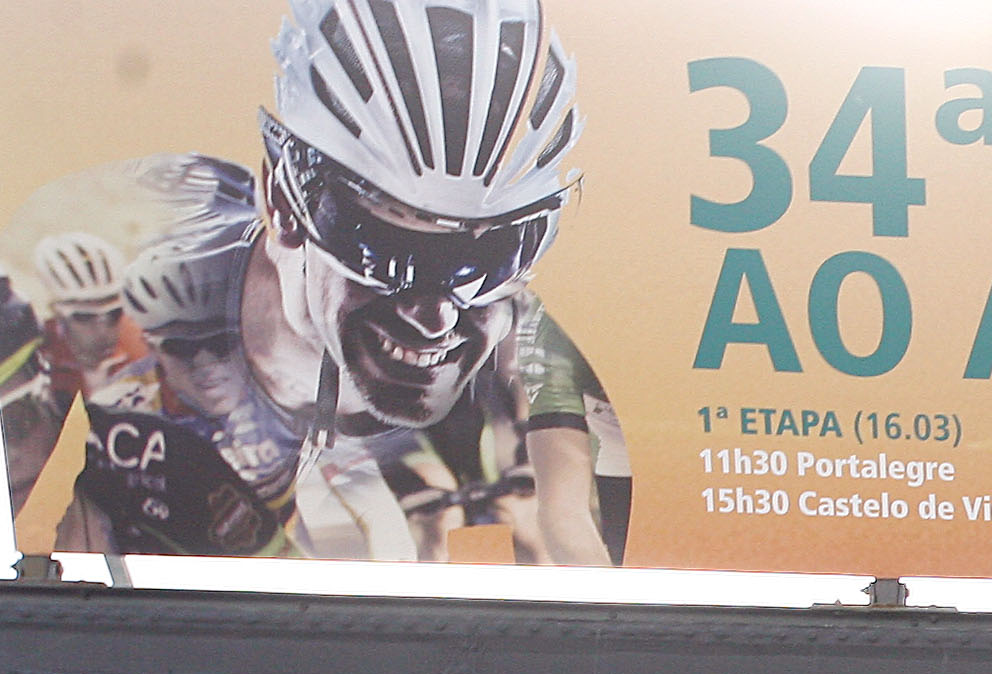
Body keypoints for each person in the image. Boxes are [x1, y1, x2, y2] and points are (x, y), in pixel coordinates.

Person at [0, 0, 626, 561]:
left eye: (487, 256)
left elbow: (586, 605)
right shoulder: (108, 247)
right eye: (387, 248)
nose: (435, 314)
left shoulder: (533, 377)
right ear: (282, 199)